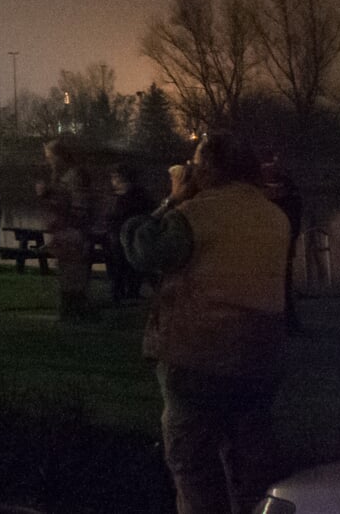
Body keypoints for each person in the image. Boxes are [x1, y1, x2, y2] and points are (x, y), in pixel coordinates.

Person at [123, 133, 290, 514]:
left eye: (197, 163)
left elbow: (142, 250)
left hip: (198, 359)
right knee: (247, 467)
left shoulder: (197, 214)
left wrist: (173, 198)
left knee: (193, 466)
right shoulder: (274, 216)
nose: (192, 169)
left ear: (210, 168)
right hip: (260, 361)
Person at [39, 139, 91, 320]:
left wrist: (70, 222)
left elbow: (78, 205)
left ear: (60, 156)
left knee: (73, 271)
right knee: (66, 271)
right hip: (63, 229)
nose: (49, 161)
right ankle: (70, 309)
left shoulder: (73, 176)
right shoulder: (62, 177)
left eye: (51, 157)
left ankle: (75, 310)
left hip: (72, 229)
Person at [258, 157, 302, 335]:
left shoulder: (266, 196)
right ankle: (287, 323)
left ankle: (283, 323)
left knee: (278, 286)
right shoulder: (291, 194)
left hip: (273, 247)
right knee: (282, 285)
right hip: (281, 246)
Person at [104, 164, 155, 303]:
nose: (113, 181)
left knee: (131, 263)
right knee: (120, 263)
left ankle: (128, 291)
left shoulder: (135, 195)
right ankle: (119, 292)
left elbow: (148, 210)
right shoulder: (119, 196)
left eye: (115, 177)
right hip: (120, 235)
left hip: (132, 234)